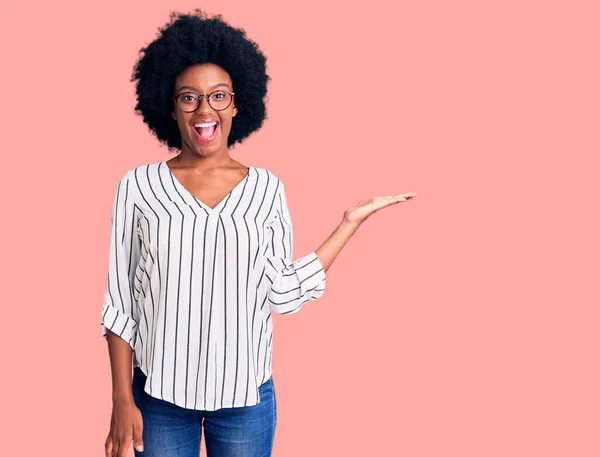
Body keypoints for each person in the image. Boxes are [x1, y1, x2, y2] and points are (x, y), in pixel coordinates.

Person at [101, 8, 417, 457]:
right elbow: (120, 304)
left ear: (237, 104)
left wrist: (348, 223)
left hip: (245, 399)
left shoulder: (267, 189)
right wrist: (120, 399)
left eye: (218, 96)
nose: (204, 109)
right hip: (159, 399)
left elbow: (282, 292)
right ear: (170, 108)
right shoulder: (136, 187)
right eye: (188, 97)